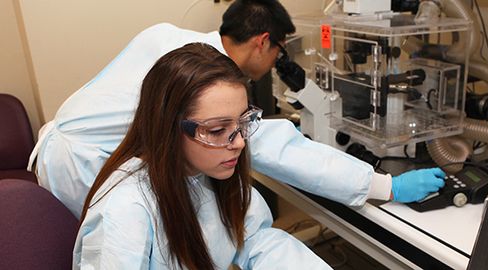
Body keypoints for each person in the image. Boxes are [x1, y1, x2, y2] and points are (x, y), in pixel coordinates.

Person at [30, 0, 445, 218]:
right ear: (264, 41)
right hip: (86, 168)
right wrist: (384, 187)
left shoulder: (167, 35)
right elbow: (268, 146)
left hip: (64, 149)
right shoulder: (202, 77)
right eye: (282, 52)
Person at [74, 43, 331, 269]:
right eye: (218, 130)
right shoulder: (126, 209)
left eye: (243, 122)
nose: (240, 142)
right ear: (168, 127)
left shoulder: (206, 170)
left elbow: (254, 238)